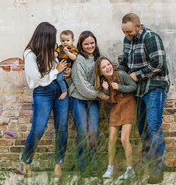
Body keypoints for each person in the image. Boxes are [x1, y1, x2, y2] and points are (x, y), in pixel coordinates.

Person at [117, 13, 170, 184]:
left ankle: (157, 170)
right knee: (143, 129)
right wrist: (118, 74)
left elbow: (159, 62)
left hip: (154, 87)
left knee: (154, 128)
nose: (127, 35)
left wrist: (137, 75)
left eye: (129, 32)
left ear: (138, 26)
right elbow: (125, 61)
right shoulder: (127, 40)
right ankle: (147, 166)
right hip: (138, 90)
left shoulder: (150, 37)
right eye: (124, 32)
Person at [21, 22, 69, 178]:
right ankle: (26, 162)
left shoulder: (48, 50)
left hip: (59, 90)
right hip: (43, 92)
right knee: (38, 129)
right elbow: (40, 79)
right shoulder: (30, 54)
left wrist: (63, 72)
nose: (54, 40)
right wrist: (57, 70)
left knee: (62, 129)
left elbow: (55, 70)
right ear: (45, 37)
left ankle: (58, 165)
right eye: (52, 37)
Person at [68, 31, 109, 174]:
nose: (90, 46)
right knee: (83, 132)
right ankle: (83, 166)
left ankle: (94, 166)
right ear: (81, 45)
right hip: (78, 99)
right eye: (86, 44)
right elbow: (82, 85)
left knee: (94, 132)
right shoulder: (79, 59)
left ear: (95, 43)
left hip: (92, 101)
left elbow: (106, 73)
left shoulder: (99, 57)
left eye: (92, 43)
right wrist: (100, 94)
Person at [94, 57, 137, 180]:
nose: (107, 67)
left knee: (124, 139)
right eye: (103, 67)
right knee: (112, 138)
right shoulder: (104, 82)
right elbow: (108, 98)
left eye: (108, 64)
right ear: (100, 72)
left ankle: (130, 170)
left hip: (128, 104)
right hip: (116, 107)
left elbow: (133, 86)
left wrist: (119, 87)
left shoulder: (121, 74)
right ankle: (110, 168)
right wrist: (106, 90)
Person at [55, 30, 78, 100]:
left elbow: (74, 57)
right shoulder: (60, 48)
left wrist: (68, 53)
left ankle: (64, 91)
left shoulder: (73, 49)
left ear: (72, 40)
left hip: (67, 67)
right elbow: (56, 53)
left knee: (59, 79)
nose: (65, 42)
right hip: (60, 66)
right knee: (57, 78)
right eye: (63, 41)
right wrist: (55, 54)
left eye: (67, 40)